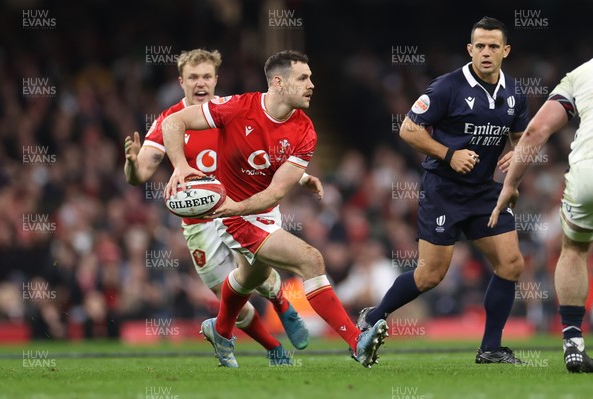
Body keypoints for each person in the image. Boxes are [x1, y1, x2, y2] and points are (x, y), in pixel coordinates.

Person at [162, 50, 389, 368]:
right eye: (303, 78)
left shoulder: (305, 130)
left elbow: (275, 192)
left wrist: (300, 179)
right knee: (311, 260)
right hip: (237, 218)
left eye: (311, 77)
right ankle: (357, 341)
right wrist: (181, 166)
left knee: (248, 277)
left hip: (259, 210)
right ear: (279, 83)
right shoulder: (238, 107)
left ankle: (221, 329)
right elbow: (174, 121)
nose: (312, 84)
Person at [124, 49, 320, 365]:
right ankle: (274, 348)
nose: (200, 83)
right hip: (199, 223)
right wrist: (132, 165)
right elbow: (140, 174)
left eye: (206, 76)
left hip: (238, 208)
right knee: (228, 298)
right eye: (193, 78)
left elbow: (268, 154)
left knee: (255, 274)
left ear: (215, 79)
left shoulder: (231, 109)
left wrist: (304, 178)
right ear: (181, 81)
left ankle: (282, 304)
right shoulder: (168, 121)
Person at [357, 17, 529, 364]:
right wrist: (449, 154)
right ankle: (372, 317)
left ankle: (491, 349)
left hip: (484, 193)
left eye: (493, 46)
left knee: (511, 264)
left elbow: (520, 137)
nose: (485, 52)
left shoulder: (514, 93)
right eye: (479, 45)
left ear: (505, 51)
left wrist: (515, 160)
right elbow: (408, 129)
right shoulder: (447, 87)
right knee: (430, 275)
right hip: (444, 191)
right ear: (470, 49)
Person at [489, 59, 593, 373]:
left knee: (574, 249)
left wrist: (510, 183)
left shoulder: (581, 74)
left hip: (588, 175)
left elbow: (535, 131)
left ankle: (573, 343)